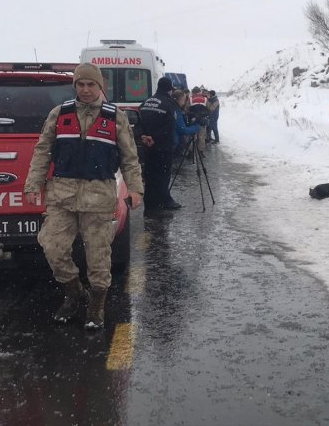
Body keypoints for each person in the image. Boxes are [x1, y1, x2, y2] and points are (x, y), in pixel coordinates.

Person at [24, 62, 144, 329]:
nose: (86, 89)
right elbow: (42, 151)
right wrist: (33, 184)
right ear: (75, 86)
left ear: (100, 86)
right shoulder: (59, 113)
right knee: (52, 247)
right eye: (81, 84)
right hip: (62, 196)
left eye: (91, 84)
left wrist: (135, 189)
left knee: (99, 257)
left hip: (98, 196)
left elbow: (130, 158)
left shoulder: (116, 117)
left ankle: (97, 306)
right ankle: (74, 291)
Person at [139, 77, 182, 211]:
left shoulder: (146, 102)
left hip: (147, 146)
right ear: (170, 89)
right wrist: (155, 137)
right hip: (162, 147)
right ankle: (164, 200)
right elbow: (169, 127)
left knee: (150, 174)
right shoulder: (169, 104)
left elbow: (139, 121)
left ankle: (149, 199)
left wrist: (144, 136)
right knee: (163, 174)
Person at [172, 89, 201, 156]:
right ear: (179, 99)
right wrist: (196, 127)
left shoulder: (172, 106)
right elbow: (183, 129)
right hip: (172, 143)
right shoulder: (176, 110)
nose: (184, 103)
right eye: (184, 100)